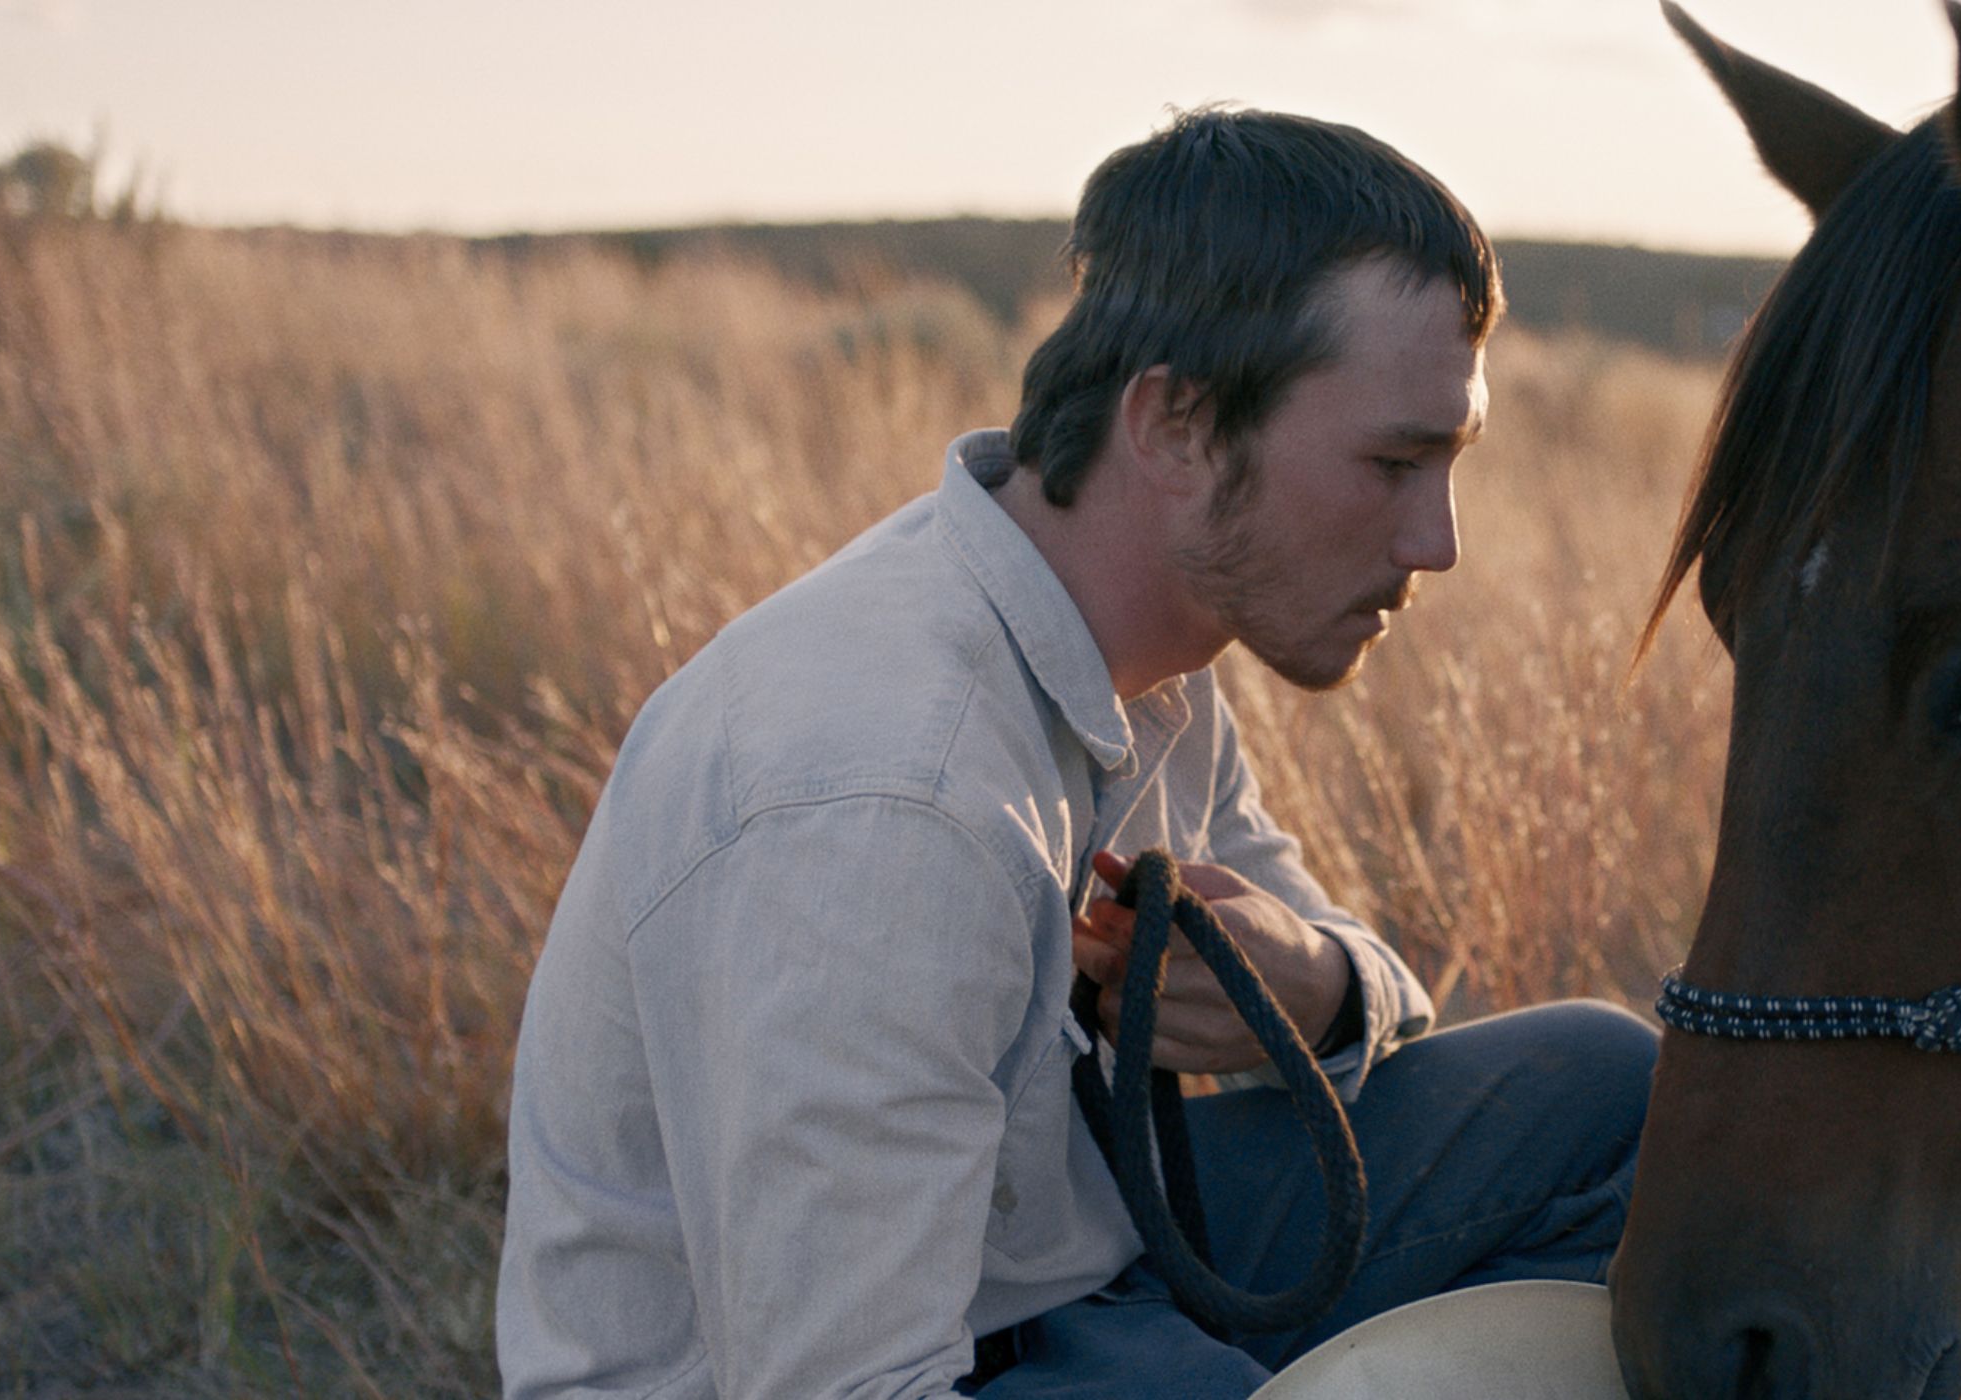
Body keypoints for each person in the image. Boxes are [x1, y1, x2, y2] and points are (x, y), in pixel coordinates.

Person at [495, 107, 1658, 1400]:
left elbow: (1376, 996)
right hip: (884, 1360)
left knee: (1619, 1098)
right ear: (1173, 425)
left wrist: (1313, 987)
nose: (1436, 542)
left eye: (1451, 461)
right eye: (1393, 462)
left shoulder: (1143, 657)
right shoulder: (891, 797)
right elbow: (846, 1380)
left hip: (1065, 1251)